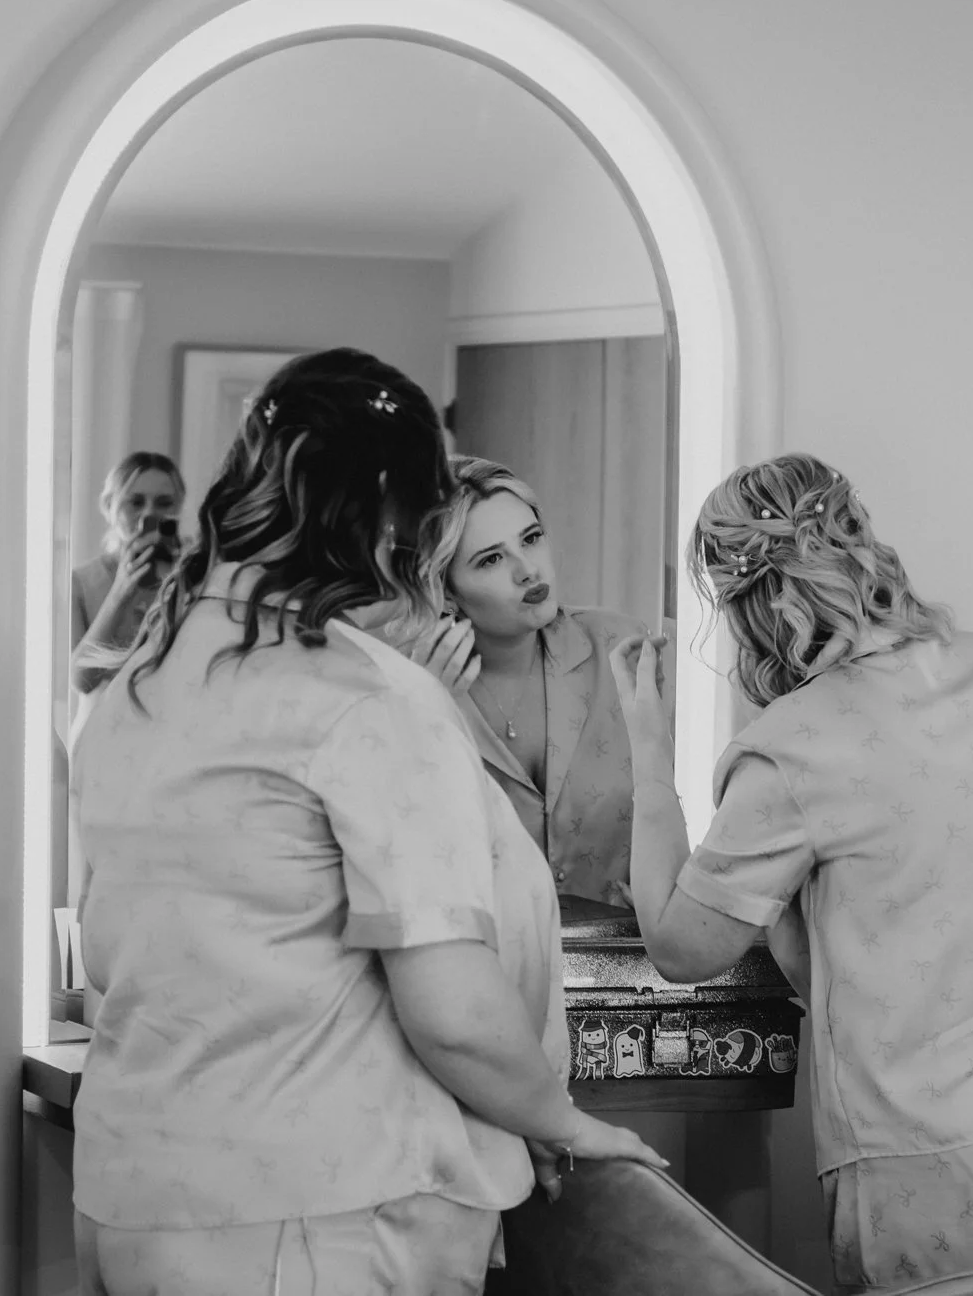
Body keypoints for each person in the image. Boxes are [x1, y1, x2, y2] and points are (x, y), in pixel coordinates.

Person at [67, 349, 664, 1296]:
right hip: (318, 1216)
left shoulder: (135, 687)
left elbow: (109, 958)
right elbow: (453, 1012)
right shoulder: (364, 699)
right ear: (388, 519)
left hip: (134, 1194)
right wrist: (561, 1121)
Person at [610, 453, 973, 1296]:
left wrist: (650, 752)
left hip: (941, 1162)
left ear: (753, 605)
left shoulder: (794, 747)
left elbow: (683, 946)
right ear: (862, 538)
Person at [402, 456, 665, 906]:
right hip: (477, 944)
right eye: (491, 559)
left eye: (531, 538)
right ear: (445, 591)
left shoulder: (622, 648)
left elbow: (663, 811)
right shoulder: (404, 688)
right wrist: (422, 719)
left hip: (617, 943)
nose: (528, 569)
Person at [71, 451, 185, 693]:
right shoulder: (83, 582)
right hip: (104, 715)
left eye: (164, 503)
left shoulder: (196, 574)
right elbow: (81, 681)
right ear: (108, 506)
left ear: (179, 506)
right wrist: (119, 594)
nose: (149, 513)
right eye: (136, 502)